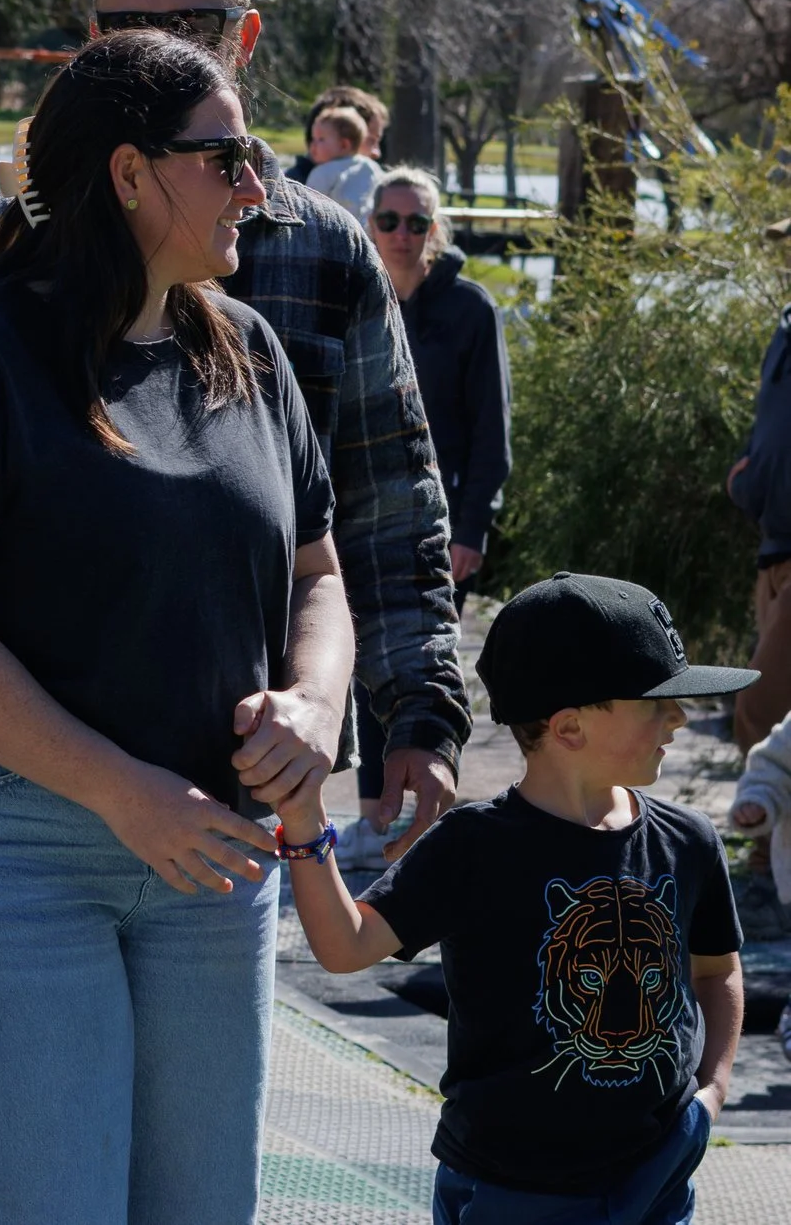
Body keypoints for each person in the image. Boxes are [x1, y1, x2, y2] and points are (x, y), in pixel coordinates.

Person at [0, 29, 354, 1221]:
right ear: (128, 173)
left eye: (258, 156)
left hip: (214, 860)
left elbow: (319, 576)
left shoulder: (247, 350)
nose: (257, 187)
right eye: (226, 155)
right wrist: (117, 787)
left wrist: (315, 704)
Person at [0, 0, 467, 856]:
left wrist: (417, 710)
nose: (159, 44)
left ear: (244, 40)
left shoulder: (326, 251)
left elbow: (385, 511)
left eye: (192, 23)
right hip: (15, 783)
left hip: (240, 782)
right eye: (126, 21)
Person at [275, 573, 750, 1225]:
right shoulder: (472, 845)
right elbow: (345, 944)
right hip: (513, 1193)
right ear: (569, 726)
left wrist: (712, 1091)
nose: (681, 718)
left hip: (660, 1175)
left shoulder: (687, 841)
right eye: (656, 702)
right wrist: (304, 827)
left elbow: (716, 970)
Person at [345, 168, 511, 867]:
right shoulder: (355, 296)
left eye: (418, 222)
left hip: (440, 528)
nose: (404, 235)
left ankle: (431, 818)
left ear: (435, 230)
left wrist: (471, 528)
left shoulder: (469, 308)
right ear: (370, 223)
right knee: (361, 667)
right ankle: (373, 817)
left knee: (428, 668)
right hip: (360, 521)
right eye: (390, 221)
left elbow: (490, 434)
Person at [726, 300, 791, 751]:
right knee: (766, 721)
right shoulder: (785, 327)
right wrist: (744, 481)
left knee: (759, 714)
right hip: (773, 550)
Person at [305, 104, 382, 221]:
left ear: (344, 145)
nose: (313, 145)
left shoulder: (322, 173)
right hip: (367, 232)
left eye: (321, 139)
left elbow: (308, 209)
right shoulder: (372, 167)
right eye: (313, 139)